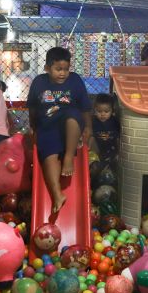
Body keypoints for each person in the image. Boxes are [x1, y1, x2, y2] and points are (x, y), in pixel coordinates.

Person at [27, 47, 92, 213]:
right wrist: (33, 128)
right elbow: (33, 109)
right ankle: (57, 194)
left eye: (66, 69)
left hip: (71, 126)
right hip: (47, 125)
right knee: (48, 149)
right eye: (58, 69)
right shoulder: (39, 82)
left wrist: (89, 128)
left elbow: (85, 108)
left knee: (71, 114)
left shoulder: (75, 80)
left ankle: (68, 158)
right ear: (47, 68)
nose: (62, 73)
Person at [90, 94, 120, 166]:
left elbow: (118, 138)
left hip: (111, 149)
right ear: (94, 110)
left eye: (106, 112)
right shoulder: (93, 121)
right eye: (99, 111)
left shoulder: (114, 121)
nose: (103, 114)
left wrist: (118, 152)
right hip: (97, 149)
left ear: (112, 110)